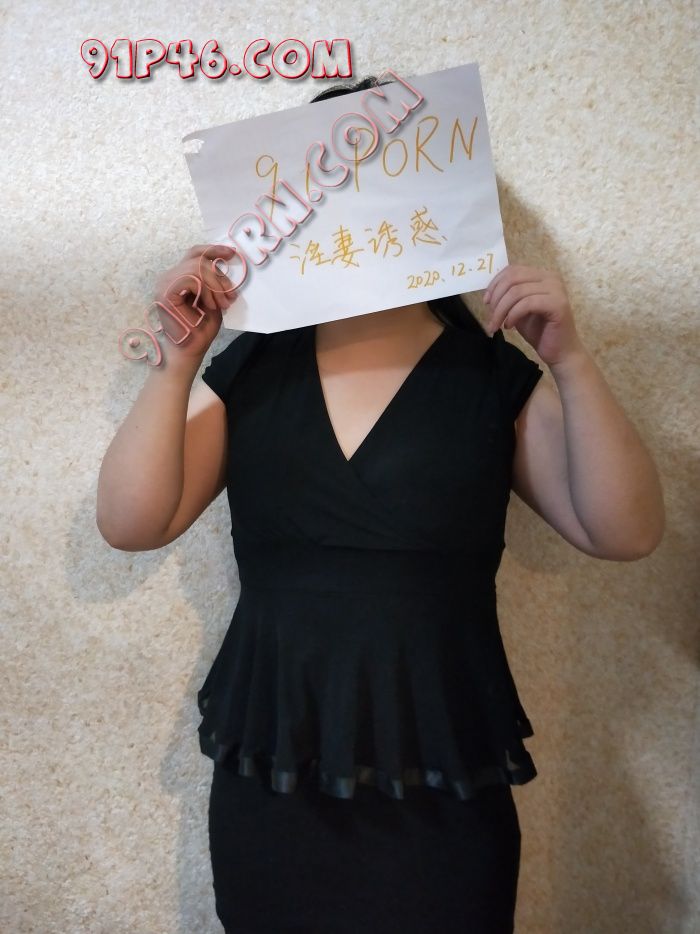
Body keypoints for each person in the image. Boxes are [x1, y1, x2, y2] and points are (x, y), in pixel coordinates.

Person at [96, 76, 665, 934]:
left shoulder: (490, 375)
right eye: (331, 175)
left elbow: (625, 532)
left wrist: (572, 361)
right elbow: (131, 524)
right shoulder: (252, 370)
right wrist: (177, 359)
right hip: (275, 767)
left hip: (443, 779)